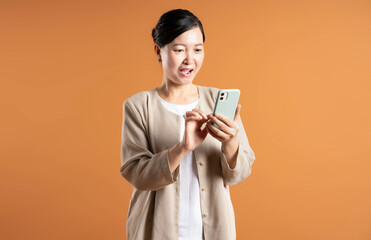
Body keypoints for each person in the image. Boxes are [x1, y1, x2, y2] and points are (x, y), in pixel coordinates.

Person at [120, 9, 255, 240]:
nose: (189, 60)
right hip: (156, 230)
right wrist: (182, 148)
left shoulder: (218, 101)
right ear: (158, 51)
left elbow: (239, 173)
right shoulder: (138, 106)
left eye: (198, 49)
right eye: (179, 49)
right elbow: (137, 175)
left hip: (213, 230)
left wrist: (231, 142)